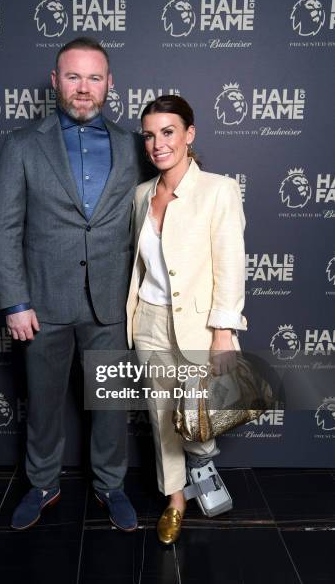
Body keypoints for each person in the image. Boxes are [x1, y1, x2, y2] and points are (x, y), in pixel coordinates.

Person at [0, 37, 145, 532]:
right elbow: (6, 227)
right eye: (73, 77)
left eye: (94, 78)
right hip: (44, 304)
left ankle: (110, 485)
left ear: (109, 84)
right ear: (55, 81)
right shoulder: (21, 144)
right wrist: (16, 300)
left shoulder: (131, 146)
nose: (84, 88)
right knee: (43, 405)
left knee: (111, 407)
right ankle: (42, 483)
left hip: (111, 304)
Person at [126, 95, 247, 544]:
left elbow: (230, 264)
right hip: (149, 323)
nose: (158, 144)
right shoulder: (141, 195)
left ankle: (203, 465)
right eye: (150, 136)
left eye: (168, 132)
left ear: (189, 134)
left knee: (197, 415)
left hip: (199, 324)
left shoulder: (218, 189)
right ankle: (175, 500)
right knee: (161, 417)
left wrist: (223, 331)